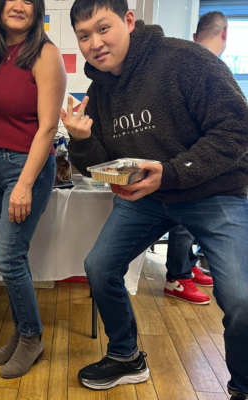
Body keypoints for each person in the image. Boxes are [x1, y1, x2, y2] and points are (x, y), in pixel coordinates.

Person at [61, 0, 248, 396]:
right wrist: (80, 143)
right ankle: (125, 355)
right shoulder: (99, 92)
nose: (95, 42)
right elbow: (103, 166)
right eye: (84, 35)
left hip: (213, 191)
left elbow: (236, 129)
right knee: (99, 267)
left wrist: (175, 171)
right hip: (148, 197)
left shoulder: (184, 60)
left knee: (242, 299)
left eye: (103, 28)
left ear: (129, 21)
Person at [0, 0, 66, 379]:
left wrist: (25, 184)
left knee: (7, 259)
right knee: (14, 259)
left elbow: (47, 128)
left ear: (37, 11)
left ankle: (32, 337)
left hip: (24, 168)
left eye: (28, 0)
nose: (18, 5)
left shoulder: (46, 54)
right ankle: (22, 333)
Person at [164, 11, 228, 305]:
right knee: (183, 220)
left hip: (184, 158)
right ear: (224, 34)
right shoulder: (208, 67)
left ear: (194, 35)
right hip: (187, 161)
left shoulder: (181, 63)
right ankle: (177, 276)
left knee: (186, 222)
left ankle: (187, 266)